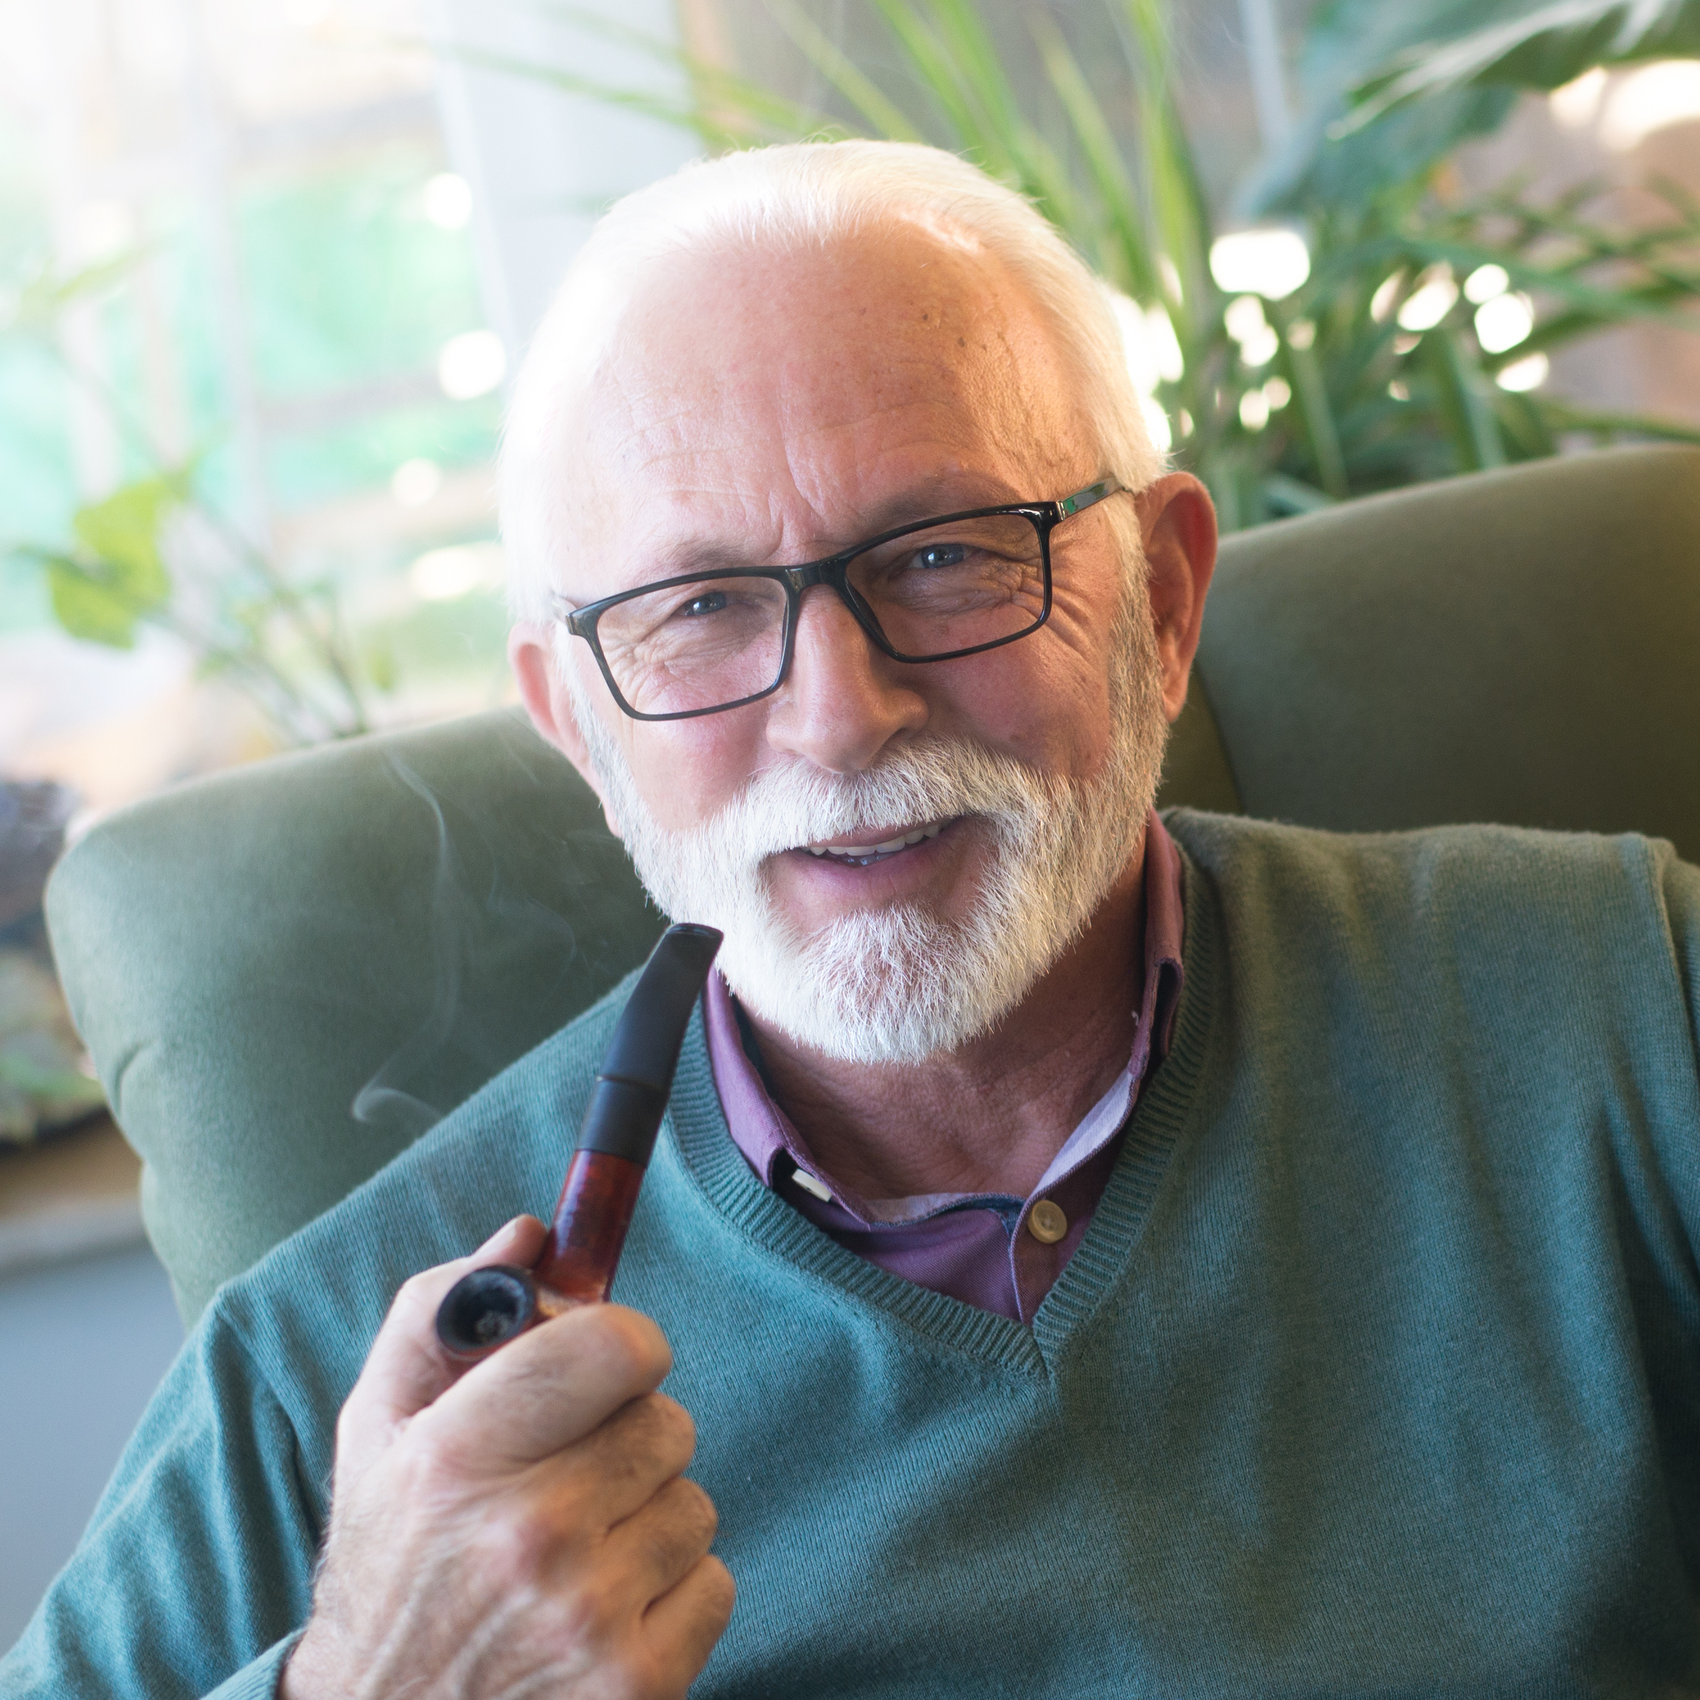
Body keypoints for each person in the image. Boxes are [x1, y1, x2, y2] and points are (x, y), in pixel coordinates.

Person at [5, 139, 1699, 1700]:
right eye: (697, 609)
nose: (836, 713)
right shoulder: (338, 1373)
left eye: (950, 557)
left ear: (1166, 603)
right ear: (582, 730)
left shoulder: (1628, 1006)